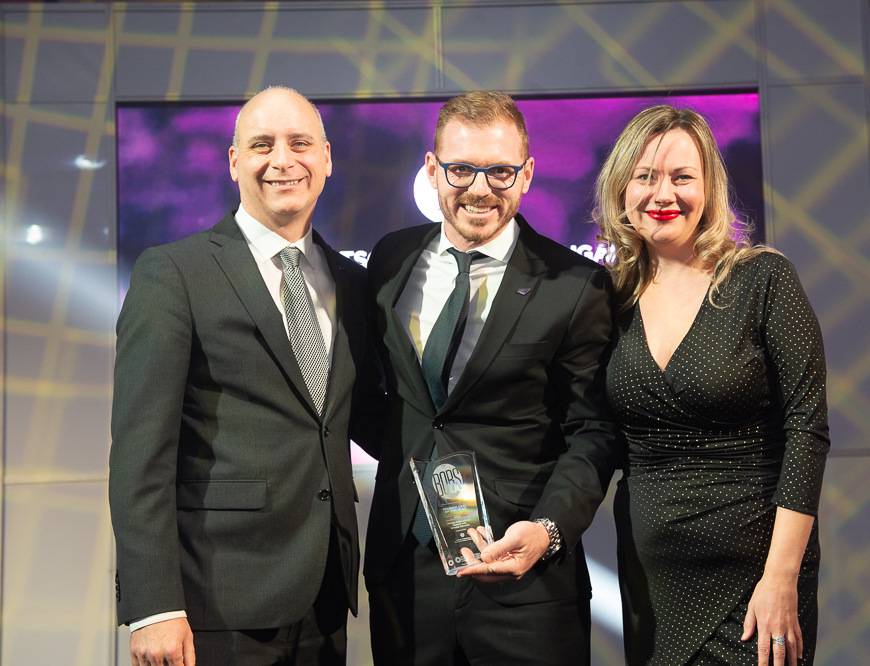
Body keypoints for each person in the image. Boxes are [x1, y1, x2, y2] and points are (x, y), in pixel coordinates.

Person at [109, 86, 384, 666]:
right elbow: (141, 454)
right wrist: (153, 605)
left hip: (326, 595)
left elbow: (352, 418)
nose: (282, 160)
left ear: (327, 158)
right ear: (235, 162)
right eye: (262, 145)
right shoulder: (174, 272)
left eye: (299, 143)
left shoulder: (350, 283)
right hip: (215, 603)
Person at [363, 91, 619, 665]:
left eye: (500, 171)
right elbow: (378, 402)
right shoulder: (390, 259)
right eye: (460, 169)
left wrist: (548, 529)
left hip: (524, 580)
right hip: (406, 574)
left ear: (526, 175)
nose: (480, 189)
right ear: (432, 171)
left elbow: (594, 433)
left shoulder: (574, 285)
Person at [595, 105, 829, 666]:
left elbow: (808, 432)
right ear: (622, 187)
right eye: (646, 177)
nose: (662, 193)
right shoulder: (606, 297)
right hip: (652, 580)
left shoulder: (763, 278)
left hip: (756, 580)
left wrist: (781, 579)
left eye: (681, 177)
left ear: (710, 187)